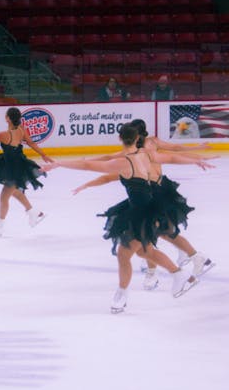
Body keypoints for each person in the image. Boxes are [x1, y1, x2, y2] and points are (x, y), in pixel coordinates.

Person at [40, 124, 208, 313]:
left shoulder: (124, 162)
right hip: (145, 209)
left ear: (120, 138)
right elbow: (170, 157)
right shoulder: (145, 155)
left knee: (124, 254)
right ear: (137, 138)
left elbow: (88, 165)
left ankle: (123, 295)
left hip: (143, 213)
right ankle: (177, 276)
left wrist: (59, 163)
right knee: (144, 252)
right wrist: (195, 160)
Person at [72, 119, 215, 291]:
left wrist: (86, 165)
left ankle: (159, 270)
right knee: (162, 233)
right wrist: (197, 154)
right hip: (157, 191)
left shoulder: (138, 154)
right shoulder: (147, 147)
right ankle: (188, 259)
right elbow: (172, 154)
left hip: (153, 195)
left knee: (155, 233)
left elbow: (108, 167)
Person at [0, 106, 53, 236]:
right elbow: (31, 143)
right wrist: (43, 154)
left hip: (13, 168)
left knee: (4, 197)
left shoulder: (5, 135)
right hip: (17, 164)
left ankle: (0, 224)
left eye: (6, 115)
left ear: (8, 119)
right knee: (15, 192)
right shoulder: (21, 129)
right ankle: (33, 212)